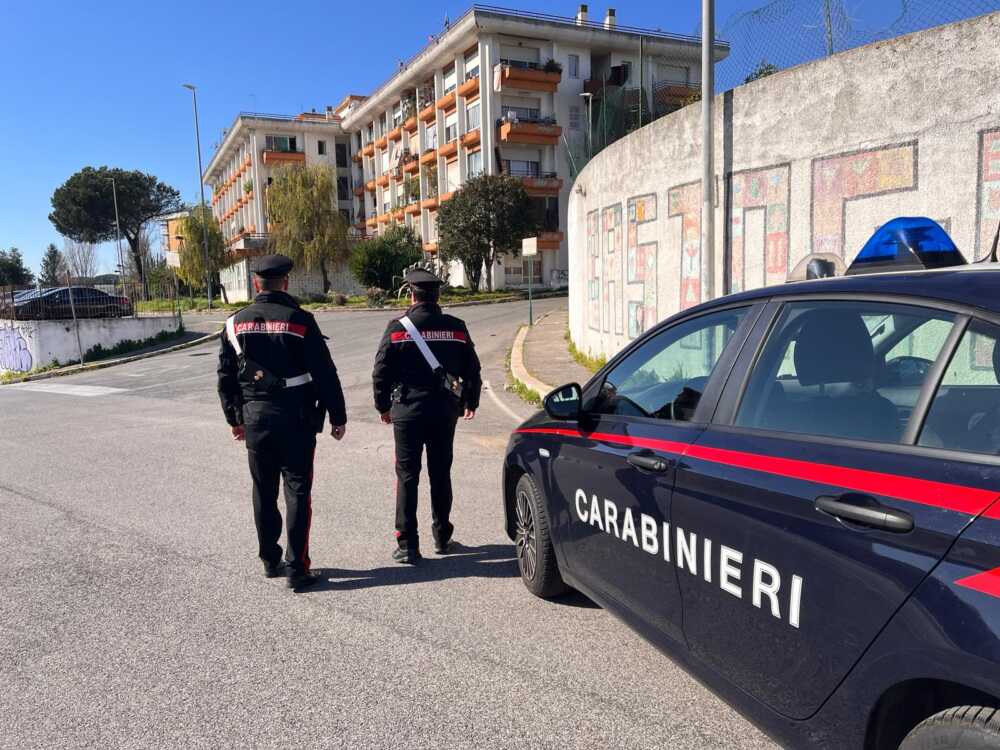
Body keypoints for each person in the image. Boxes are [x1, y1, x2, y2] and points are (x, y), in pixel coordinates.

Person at [217, 254, 347, 590]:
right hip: (296, 418)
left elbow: (226, 377)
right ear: (285, 282)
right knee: (298, 492)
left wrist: (234, 418)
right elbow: (325, 372)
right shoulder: (300, 320)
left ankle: (269, 559)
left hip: (255, 419)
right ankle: (297, 568)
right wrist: (338, 415)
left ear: (256, 284)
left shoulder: (234, 323)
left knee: (263, 490)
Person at [372, 268, 482, 564]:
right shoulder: (456, 327)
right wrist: (471, 400)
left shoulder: (397, 327)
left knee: (407, 476)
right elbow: (473, 368)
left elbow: (381, 370)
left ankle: (407, 544)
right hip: (445, 410)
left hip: (407, 410)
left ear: (411, 294)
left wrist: (382, 406)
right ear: (438, 296)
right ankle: (442, 537)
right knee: (440, 473)